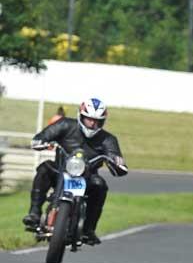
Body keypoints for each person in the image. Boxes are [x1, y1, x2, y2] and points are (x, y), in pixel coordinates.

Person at [22, 98, 129, 245]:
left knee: (100, 185)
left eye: (97, 120)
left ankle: (88, 229)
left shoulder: (108, 139)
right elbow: (43, 136)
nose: (92, 123)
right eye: (89, 119)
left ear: (103, 121)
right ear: (81, 116)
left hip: (88, 177)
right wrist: (41, 141)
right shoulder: (65, 124)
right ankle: (34, 212)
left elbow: (116, 158)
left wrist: (117, 162)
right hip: (60, 171)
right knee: (45, 167)